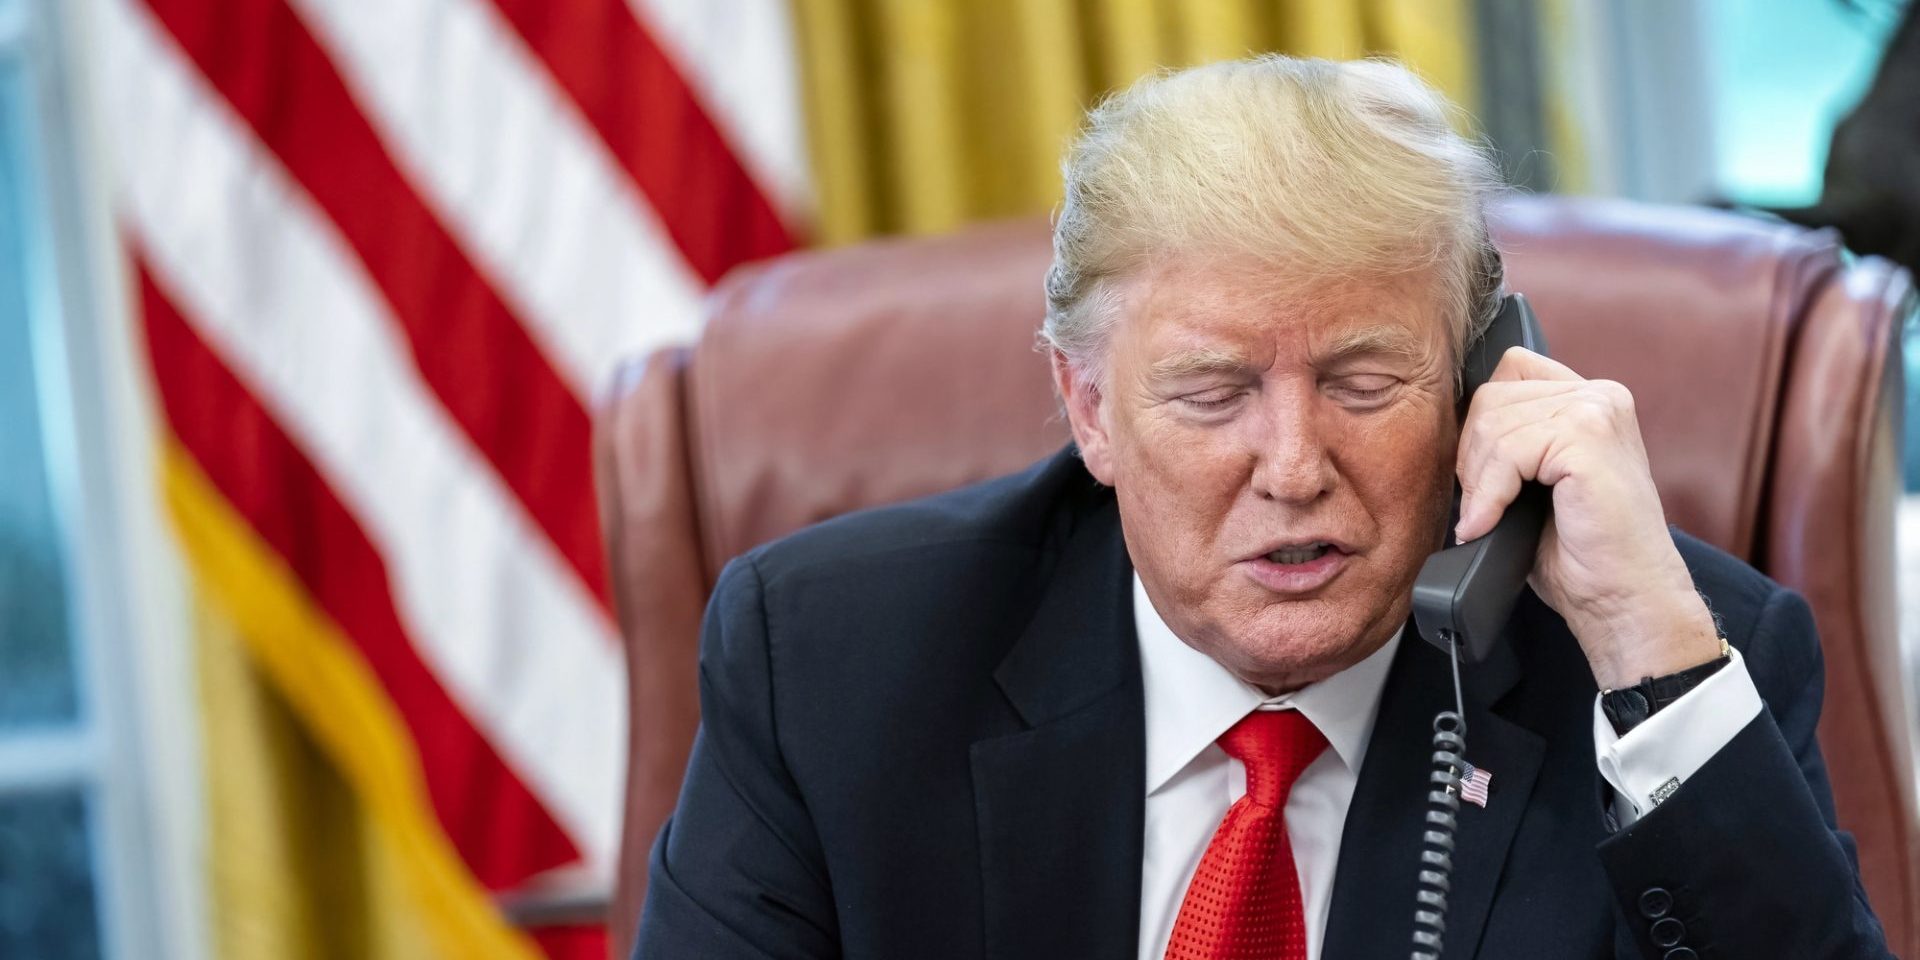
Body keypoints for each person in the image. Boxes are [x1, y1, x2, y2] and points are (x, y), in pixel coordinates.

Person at [634, 56, 1891, 959]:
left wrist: (1648, 655)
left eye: (1362, 380)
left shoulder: (1671, 663)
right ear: (1089, 412)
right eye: (1213, 392)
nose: (1293, 465)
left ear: (1472, 382)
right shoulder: (832, 665)